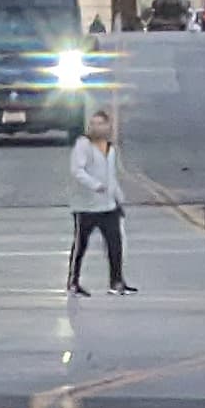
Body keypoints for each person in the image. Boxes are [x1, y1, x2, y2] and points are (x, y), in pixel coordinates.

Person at [66, 107, 129, 296]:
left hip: (108, 206)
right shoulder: (83, 145)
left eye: (100, 123)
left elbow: (111, 176)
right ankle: (73, 282)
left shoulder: (110, 148)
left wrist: (118, 198)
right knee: (80, 245)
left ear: (108, 126)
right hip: (86, 207)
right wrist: (95, 185)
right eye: (93, 123)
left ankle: (117, 282)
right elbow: (77, 170)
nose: (96, 127)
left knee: (115, 245)